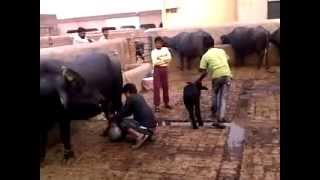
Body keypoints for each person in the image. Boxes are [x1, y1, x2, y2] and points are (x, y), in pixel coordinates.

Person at [196, 36, 233, 128]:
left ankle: (214, 112)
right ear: (213, 44)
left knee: (215, 95)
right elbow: (228, 60)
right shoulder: (221, 51)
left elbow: (203, 71)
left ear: (204, 46)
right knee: (223, 98)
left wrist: (198, 80)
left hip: (217, 77)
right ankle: (221, 117)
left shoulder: (205, 56)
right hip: (227, 75)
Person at [112, 83, 157, 149]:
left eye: (125, 94)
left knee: (122, 122)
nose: (125, 96)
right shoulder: (140, 96)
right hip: (152, 127)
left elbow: (123, 113)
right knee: (134, 119)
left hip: (145, 127)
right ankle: (148, 135)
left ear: (127, 92)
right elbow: (129, 112)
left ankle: (139, 136)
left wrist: (114, 117)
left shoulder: (130, 98)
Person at [151, 36, 173, 112]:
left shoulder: (166, 49)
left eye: (160, 43)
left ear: (162, 43)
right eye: (157, 43)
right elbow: (155, 62)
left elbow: (169, 59)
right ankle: (157, 105)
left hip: (164, 69)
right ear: (155, 44)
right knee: (156, 88)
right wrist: (164, 60)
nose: (158, 44)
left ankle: (166, 103)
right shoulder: (153, 52)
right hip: (157, 69)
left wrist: (160, 59)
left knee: (165, 86)